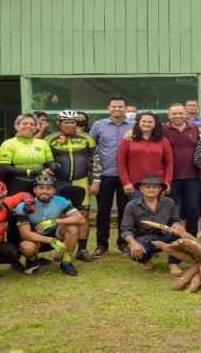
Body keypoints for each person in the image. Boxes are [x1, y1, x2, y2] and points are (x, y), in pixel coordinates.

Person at [44, 110, 101, 262]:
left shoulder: (87, 138)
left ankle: (82, 249)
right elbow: (45, 161)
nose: (70, 125)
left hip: (81, 181)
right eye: (66, 122)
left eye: (72, 122)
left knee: (83, 215)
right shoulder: (49, 139)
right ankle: (62, 248)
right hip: (59, 182)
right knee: (61, 215)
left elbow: (96, 160)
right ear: (59, 123)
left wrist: (96, 181)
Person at [89, 96, 135, 257]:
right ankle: (102, 244)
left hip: (126, 176)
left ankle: (123, 242)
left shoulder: (134, 126)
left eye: (120, 106)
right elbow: (91, 148)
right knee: (103, 210)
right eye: (114, 106)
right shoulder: (98, 125)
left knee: (125, 210)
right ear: (108, 108)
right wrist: (93, 175)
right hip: (104, 175)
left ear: (125, 108)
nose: (117, 109)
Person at [14, 174, 85, 276]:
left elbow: (80, 219)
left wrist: (54, 221)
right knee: (27, 247)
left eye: (49, 188)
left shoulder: (60, 201)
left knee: (72, 228)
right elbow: (25, 234)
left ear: (54, 190)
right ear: (35, 190)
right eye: (41, 188)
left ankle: (66, 262)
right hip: (35, 238)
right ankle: (32, 259)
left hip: (54, 233)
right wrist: (51, 240)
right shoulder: (23, 206)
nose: (45, 191)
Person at [120, 174, 186, 275]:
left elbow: (174, 219)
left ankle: (174, 263)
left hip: (164, 235)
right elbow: (126, 229)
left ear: (160, 189)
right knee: (134, 253)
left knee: (180, 235)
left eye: (155, 187)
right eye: (147, 186)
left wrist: (176, 224)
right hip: (144, 238)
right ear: (141, 189)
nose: (151, 189)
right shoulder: (132, 206)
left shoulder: (169, 202)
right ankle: (146, 260)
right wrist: (133, 243)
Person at [160, 104, 201, 237]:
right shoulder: (161, 128)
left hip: (192, 176)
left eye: (180, 113)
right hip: (171, 177)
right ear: (169, 115)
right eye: (174, 113)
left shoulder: (194, 128)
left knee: (193, 209)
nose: (177, 116)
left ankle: (191, 238)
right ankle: (171, 238)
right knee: (170, 210)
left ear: (185, 114)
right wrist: (130, 131)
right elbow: (144, 130)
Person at [118, 111, 174, 201]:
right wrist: (126, 182)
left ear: (155, 124)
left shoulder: (163, 141)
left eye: (150, 122)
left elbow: (169, 163)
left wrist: (167, 182)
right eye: (143, 121)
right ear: (138, 123)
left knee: (157, 210)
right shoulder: (128, 139)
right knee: (138, 210)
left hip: (157, 184)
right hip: (135, 185)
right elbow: (121, 163)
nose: (146, 124)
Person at [0, 113, 57, 196]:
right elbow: (3, 167)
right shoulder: (8, 143)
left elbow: (50, 163)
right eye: (24, 123)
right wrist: (29, 172)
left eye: (32, 124)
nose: (28, 126)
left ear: (35, 128)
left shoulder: (43, 143)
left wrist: (53, 168)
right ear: (16, 126)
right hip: (17, 184)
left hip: (39, 184)